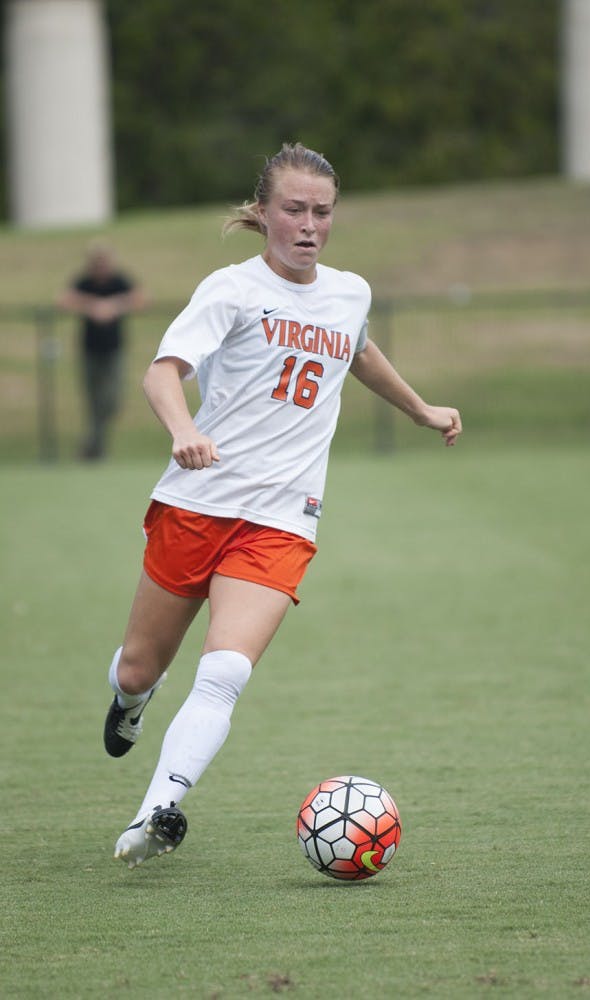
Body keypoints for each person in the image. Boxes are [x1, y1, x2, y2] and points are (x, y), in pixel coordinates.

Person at [104, 142, 461, 868]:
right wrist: (184, 429)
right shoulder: (230, 290)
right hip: (196, 504)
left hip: (281, 517)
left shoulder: (349, 291)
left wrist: (420, 409)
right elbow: (163, 372)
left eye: (321, 212)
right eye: (293, 210)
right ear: (262, 212)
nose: (307, 225)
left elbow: (355, 350)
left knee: (226, 671)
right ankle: (130, 702)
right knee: (140, 668)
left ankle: (156, 811)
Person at [58, 243, 147, 460]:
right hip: (89, 350)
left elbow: (142, 298)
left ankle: (91, 445)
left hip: (114, 349)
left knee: (111, 399)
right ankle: (95, 449)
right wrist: (92, 306)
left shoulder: (119, 281)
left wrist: (114, 306)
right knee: (93, 400)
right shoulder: (85, 282)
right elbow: (63, 300)